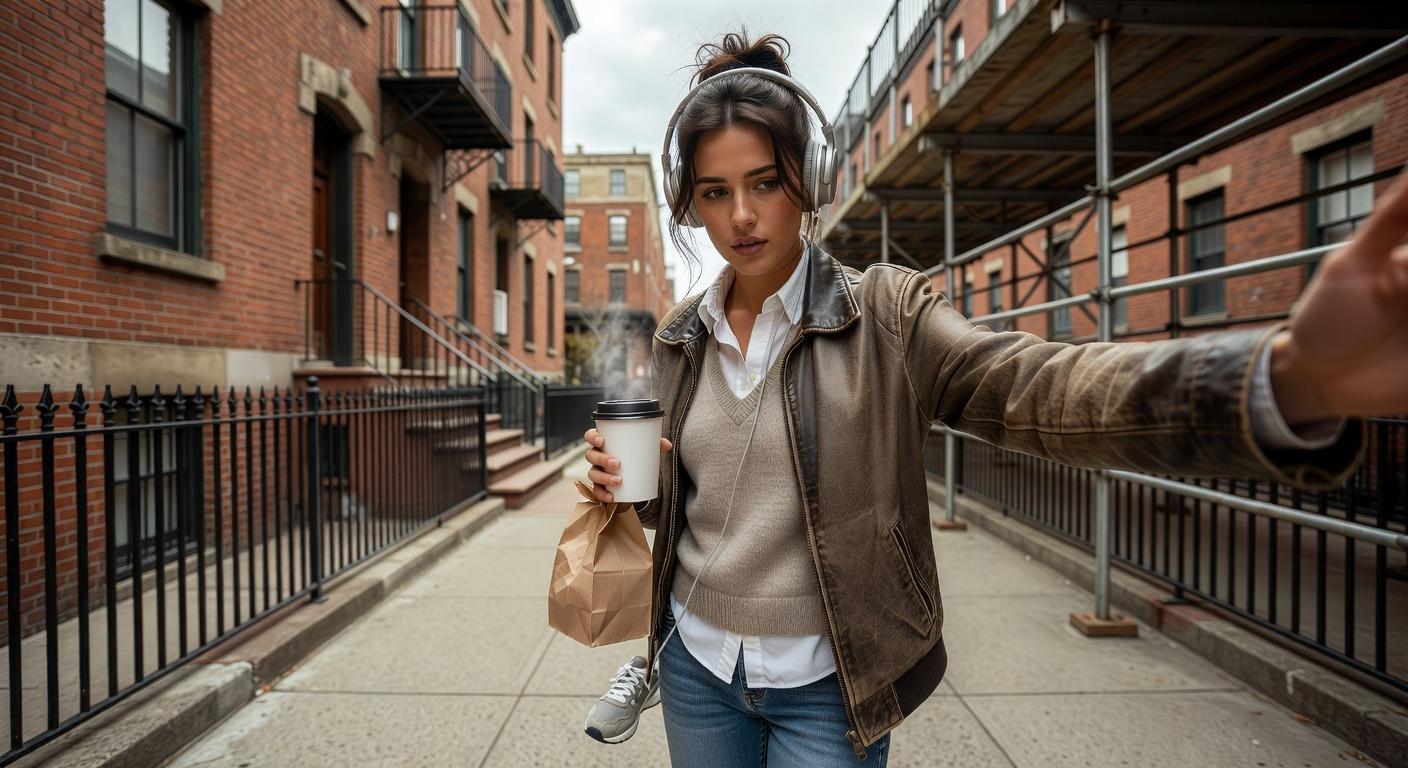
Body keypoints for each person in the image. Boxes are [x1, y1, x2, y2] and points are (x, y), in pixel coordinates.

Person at [579, 29, 1408, 767]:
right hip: (695, 667)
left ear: (811, 178)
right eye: (715, 193)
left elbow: (1037, 388)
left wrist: (1279, 378)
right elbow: (698, 510)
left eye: (765, 181)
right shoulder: (680, 335)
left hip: (831, 682)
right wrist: (643, 492)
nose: (742, 216)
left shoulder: (889, 316)